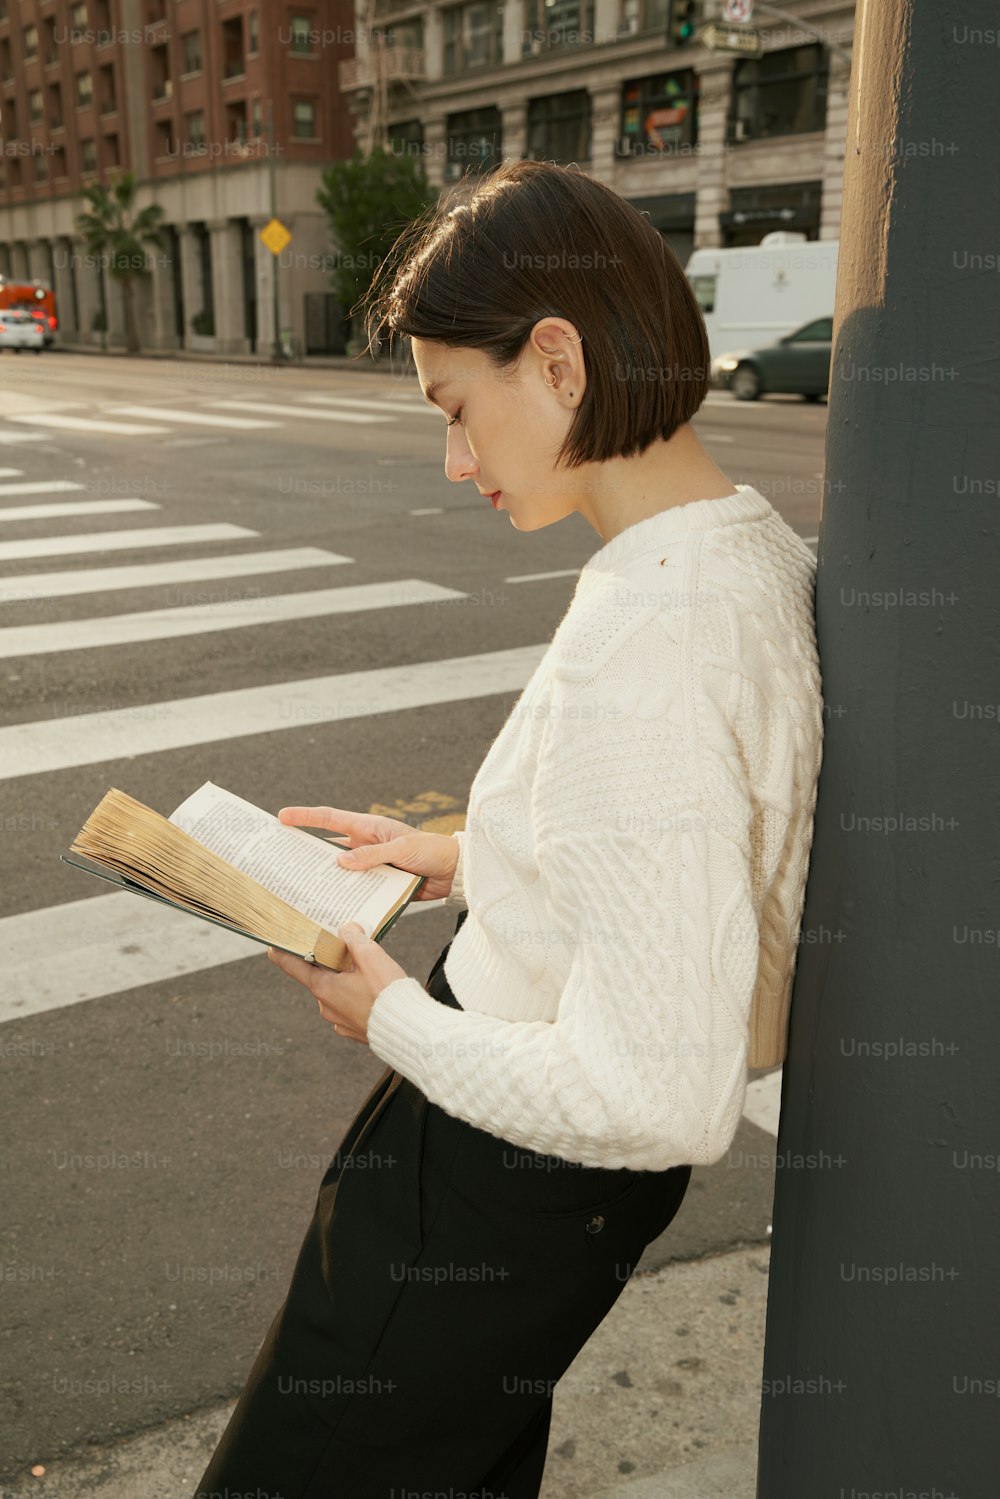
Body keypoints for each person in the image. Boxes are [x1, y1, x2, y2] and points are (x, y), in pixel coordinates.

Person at [193, 159, 824, 1498]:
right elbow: (688, 849)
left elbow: (657, 1095)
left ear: (558, 360)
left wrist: (391, 1022)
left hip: (489, 1170)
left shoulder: (652, 639)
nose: (455, 458)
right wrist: (467, 858)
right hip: (519, 1176)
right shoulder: (740, 544)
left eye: (458, 407)